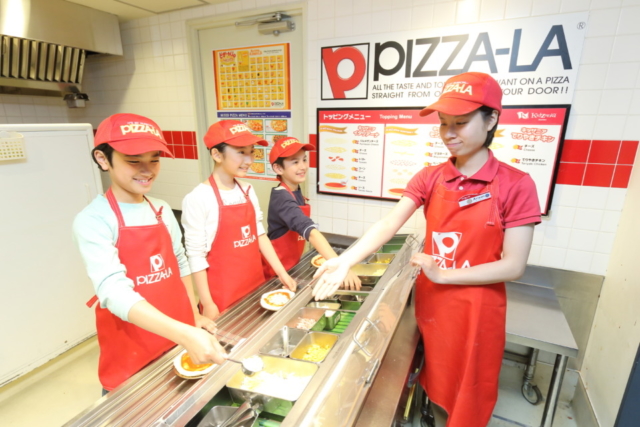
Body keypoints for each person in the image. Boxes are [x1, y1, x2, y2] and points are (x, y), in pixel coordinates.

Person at [313, 72, 541, 427]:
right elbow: (389, 223)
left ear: (491, 119)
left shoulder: (516, 185)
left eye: (461, 123)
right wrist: (344, 261)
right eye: (444, 122)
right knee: (435, 376)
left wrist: (445, 273)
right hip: (433, 301)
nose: (449, 133)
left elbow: (513, 266)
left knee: (470, 390)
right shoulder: (430, 177)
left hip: (477, 309)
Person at [74, 113, 226, 393]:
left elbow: (179, 264)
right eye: (134, 161)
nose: (147, 170)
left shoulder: (161, 209)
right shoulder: (94, 219)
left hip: (176, 336)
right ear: (103, 159)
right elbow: (113, 291)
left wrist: (192, 316)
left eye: (154, 159)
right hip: (133, 346)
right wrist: (184, 332)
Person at [182, 120, 296, 319]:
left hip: (255, 283)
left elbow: (259, 234)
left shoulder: (247, 189)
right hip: (222, 294)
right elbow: (195, 256)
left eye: (251, 152)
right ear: (217, 155)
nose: (249, 160)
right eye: (241, 152)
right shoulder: (198, 198)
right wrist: (207, 303)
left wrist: (281, 273)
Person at [264, 136, 361, 289]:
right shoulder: (281, 197)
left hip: (292, 266)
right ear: (278, 168)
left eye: (304, 160)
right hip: (277, 274)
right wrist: (340, 266)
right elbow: (310, 231)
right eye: (295, 162)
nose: (303, 166)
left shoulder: (295, 190)